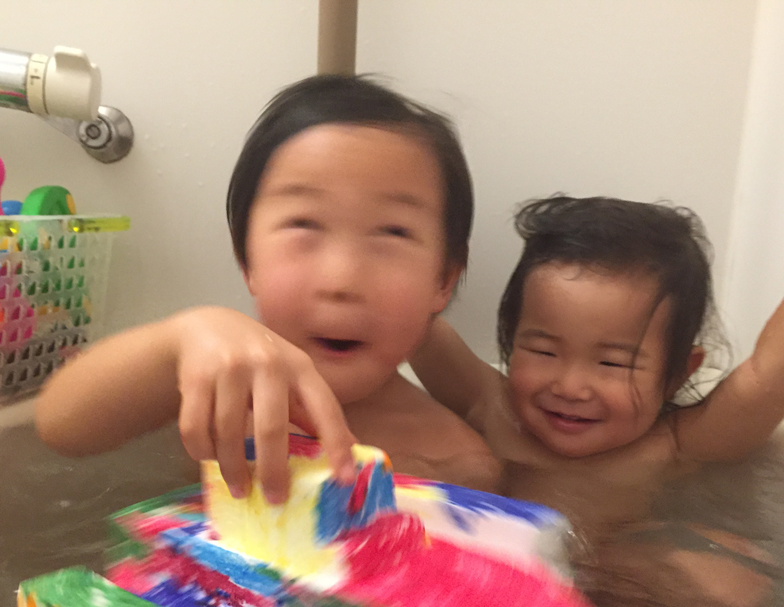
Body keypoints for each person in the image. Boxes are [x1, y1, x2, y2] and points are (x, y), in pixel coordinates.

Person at [36, 75, 499, 499]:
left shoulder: (457, 466)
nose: (341, 279)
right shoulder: (215, 376)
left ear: (443, 279)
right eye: (303, 224)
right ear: (247, 260)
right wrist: (179, 338)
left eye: (393, 233)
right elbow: (60, 428)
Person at [409, 192, 784, 532]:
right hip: (492, 573)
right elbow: (411, 320)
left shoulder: (672, 447)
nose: (571, 386)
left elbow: (772, 377)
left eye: (613, 364)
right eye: (544, 351)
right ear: (511, 343)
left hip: (615, 590)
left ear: (678, 374)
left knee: (728, 587)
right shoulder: (488, 405)